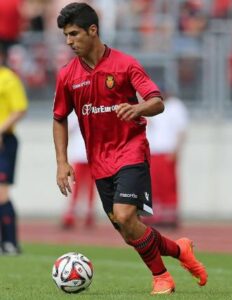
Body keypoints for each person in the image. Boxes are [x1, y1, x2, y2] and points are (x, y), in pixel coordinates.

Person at [52, 2, 207, 295]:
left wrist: (137, 109)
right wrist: (61, 161)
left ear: (93, 30)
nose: (69, 42)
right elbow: (59, 118)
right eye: (66, 36)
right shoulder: (67, 76)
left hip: (130, 151)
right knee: (128, 230)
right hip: (98, 160)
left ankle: (162, 277)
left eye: (74, 34)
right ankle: (180, 250)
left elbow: (157, 101)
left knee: (125, 216)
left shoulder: (124, 64)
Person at [0, 45, 29, 255]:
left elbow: (19, 109)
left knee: (2, 193)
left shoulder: (8, 78)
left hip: (4, 140)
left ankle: (10, 242)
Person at [145, 95, 189, 228]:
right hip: (153, 151)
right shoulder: (149, 105)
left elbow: (181, 130)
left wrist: (176, 149)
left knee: (168, 185)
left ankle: (170, 217)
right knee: (153, 185)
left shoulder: (175, 106)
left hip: (167, 151)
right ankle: (156, 216)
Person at [61, 111, 96, 228]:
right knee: (76, 185)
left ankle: (89, 212)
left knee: (91, 185)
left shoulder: (95, 110)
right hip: (78, 154)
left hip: (92, 155)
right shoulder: (74, 114)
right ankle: (71, 212)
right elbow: (67, 129)